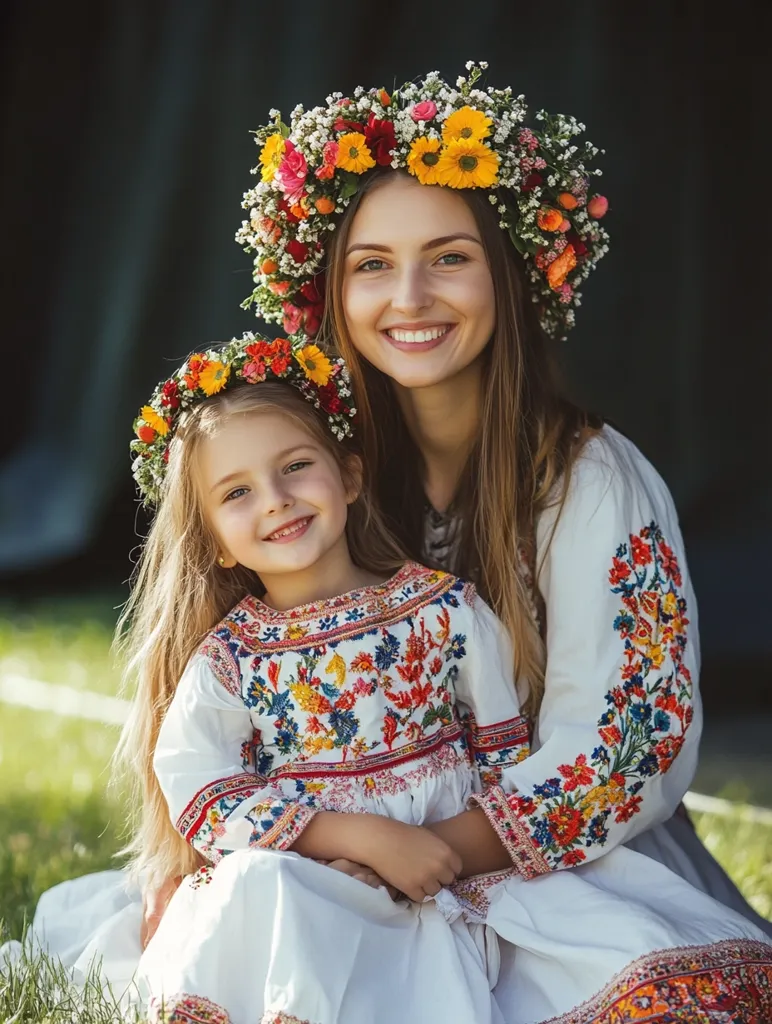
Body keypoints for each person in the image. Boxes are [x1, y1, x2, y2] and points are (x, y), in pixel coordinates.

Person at [5, 61, 771, 1023]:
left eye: (448, 256)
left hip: (543, 861)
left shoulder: (592, 483)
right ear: (330, 284)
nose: (410, 295)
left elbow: (627, 753)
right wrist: (330, 845)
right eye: (372, 264)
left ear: (515, 269)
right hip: (321, 858)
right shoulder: (316, 472)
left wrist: (423, 853)